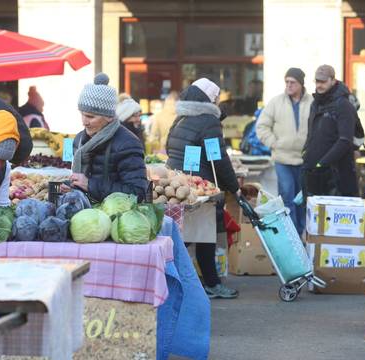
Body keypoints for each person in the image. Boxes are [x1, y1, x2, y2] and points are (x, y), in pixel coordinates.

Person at [166, 78, 240, 299]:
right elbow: (218, 157)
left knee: (190, 232)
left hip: (178, 181)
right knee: (202, 233)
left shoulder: (181, 118)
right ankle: (209, 282)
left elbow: (170, 147)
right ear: (210, 98)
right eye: (216, 98)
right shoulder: (208, 121)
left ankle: (205, 279)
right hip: (203, 184)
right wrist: (233, 186)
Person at [61, 73, 148, 202]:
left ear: (109, 117)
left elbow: (137, 192)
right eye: (82, 114)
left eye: (90, 117)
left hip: (113, 218)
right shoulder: (79, 139)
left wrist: (89, 185)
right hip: (85, 213)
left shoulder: (128, 144)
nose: (84, 122)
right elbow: (83, 182)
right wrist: (73, 188)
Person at [256, 68, 313, 235]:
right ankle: (292, 234)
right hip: (282, 158)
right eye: (286, 82)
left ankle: (302, 232)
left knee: (303, 199)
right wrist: (274, 143)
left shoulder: (312, 103)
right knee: (287, 196)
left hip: (305, 159)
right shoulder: (276, 102)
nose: (288, 85)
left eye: (292, 82)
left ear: (301, 84)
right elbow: (261, 126)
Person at [302, 65, 359, 197]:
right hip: (314, 174)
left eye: (323, 81)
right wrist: (306, 154)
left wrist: (322, 163)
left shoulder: (343, 105)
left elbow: (345, 140)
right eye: (317, 81)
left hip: (337, 176)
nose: (319, 85)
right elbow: (312, 134)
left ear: (333, 81)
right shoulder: (316, 103)